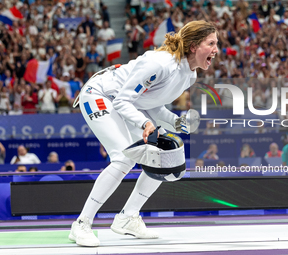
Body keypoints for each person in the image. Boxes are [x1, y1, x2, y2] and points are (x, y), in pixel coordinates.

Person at [69, 20, 218, 247]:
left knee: (163, 156)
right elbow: (123, 100)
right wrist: (144, 124)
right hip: (99, 94)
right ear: (194, 46)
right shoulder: (160, 64)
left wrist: (175, 122)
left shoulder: (189, 75)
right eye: (211, 43)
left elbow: (151, 103)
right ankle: (81, 223)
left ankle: (128, 217)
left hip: (125, 103)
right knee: (122, 158)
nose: (216, 50)